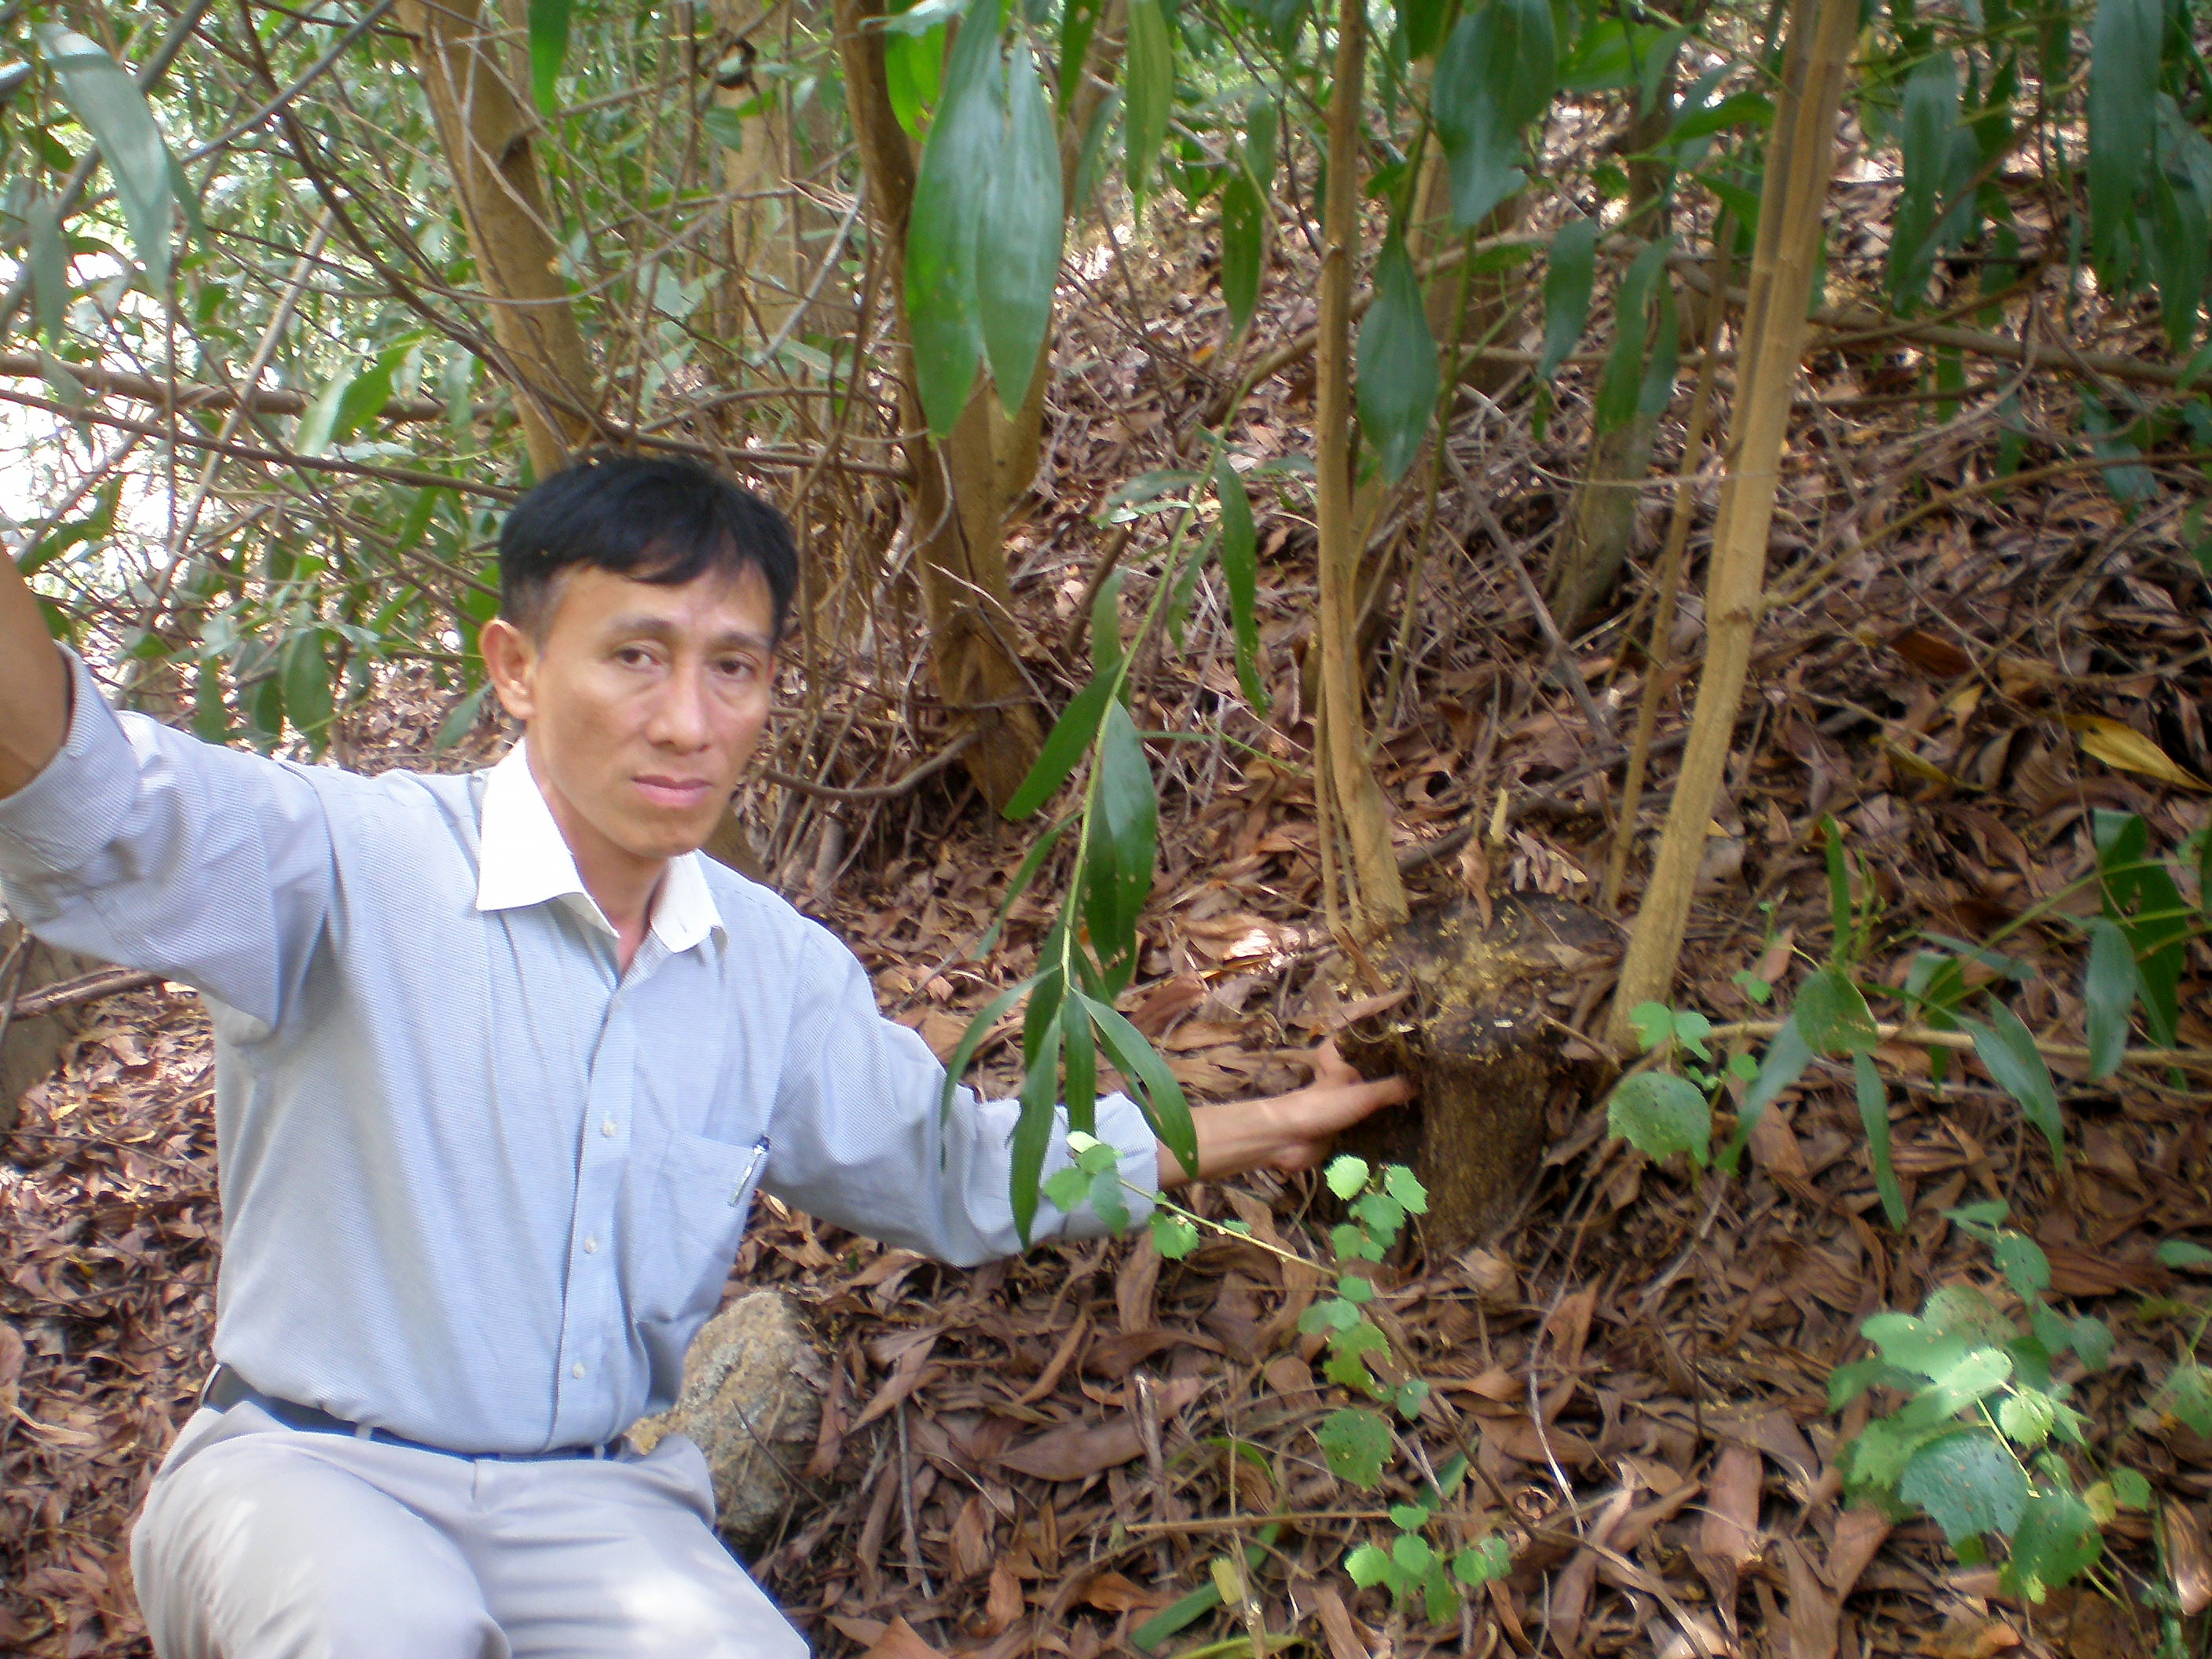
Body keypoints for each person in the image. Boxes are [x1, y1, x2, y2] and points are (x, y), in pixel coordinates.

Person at [0, 452, 1412, 1659]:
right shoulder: (343, 858)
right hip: (306, 1480)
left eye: (730, 666)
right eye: (635, 655)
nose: (687, 719)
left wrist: (1259, 1126)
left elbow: (963, 1174)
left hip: (591, 1507)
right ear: (515, 668)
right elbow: (85, 796)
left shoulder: (771, 970)